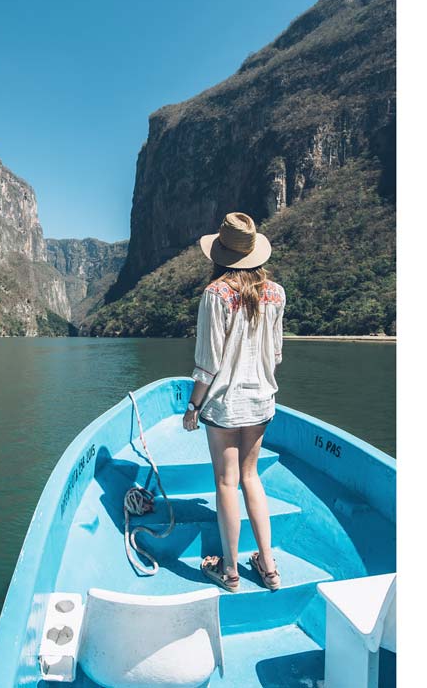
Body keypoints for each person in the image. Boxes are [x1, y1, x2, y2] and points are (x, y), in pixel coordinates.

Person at [182, 212, 286, 592]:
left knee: (227, 483)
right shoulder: (276, 293)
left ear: (220, 254)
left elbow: (208, 363)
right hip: (261, 400)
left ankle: (230, 572)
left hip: (225, 404)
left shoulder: (215, 294)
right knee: (251, 477)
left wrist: (193, 407)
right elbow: (275, 354)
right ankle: (269, 567)